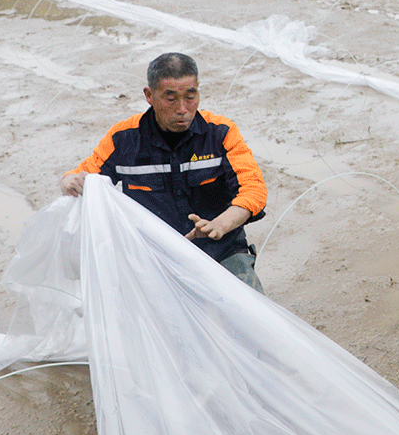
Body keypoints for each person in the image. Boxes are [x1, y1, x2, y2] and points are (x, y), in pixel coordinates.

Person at [61, 52, 269, 292]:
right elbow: (80, 176)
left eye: (190, 96)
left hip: (222, 251)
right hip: (153, 259)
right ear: (149, 95)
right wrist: (69, 182)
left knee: (251, 309)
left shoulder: (221, 133)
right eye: (170, 98)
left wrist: (220, 225)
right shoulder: (124, 139)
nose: (182, 109)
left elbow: (253, 190)